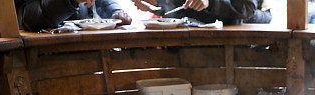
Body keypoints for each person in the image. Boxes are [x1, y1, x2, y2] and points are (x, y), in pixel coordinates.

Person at [16, 0, 131, 31]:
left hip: (83, 53)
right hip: (40, 60)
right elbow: (27, 18)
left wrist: (115, 12)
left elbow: (101, 2)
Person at [134, 0, 270, 25]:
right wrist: (157, 3)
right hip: (189, 42)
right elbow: (179, 5)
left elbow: (246, 8)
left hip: (234, 43)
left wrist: (211, 2)